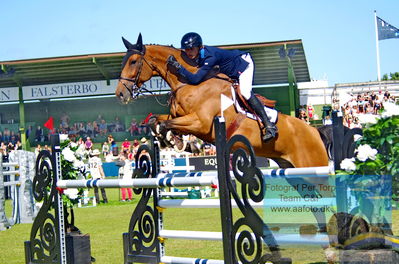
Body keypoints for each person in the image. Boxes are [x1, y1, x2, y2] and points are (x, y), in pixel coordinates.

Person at [167, 32, 277, 142]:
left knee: (245, 92)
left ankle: (269, 125)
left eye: (191, 49)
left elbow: (195, 79)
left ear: (199, 47)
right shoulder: (199, 55)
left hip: (243, 64)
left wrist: (178, 67)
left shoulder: (210, 57)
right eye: (186, 49)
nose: (188, 52)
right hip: (229, 70)